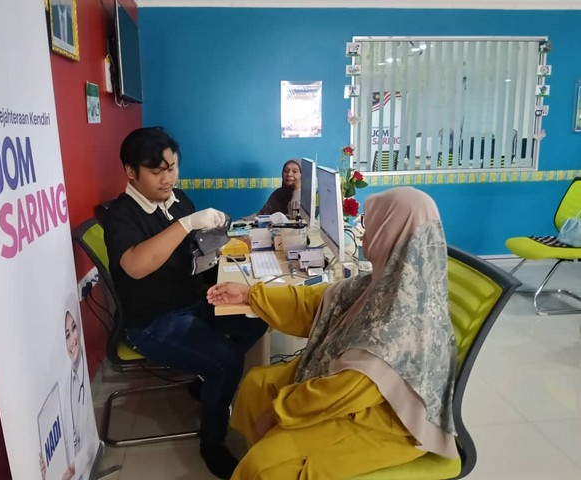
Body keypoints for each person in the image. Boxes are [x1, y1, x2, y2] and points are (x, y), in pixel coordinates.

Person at [207, 186, 459, 479]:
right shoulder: (387, 282)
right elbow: (321, 303)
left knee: (265, 466)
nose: (363, 234)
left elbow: (346, 390)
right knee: (257, 385)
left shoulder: (403, 323)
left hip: (387, 420)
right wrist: (250, 294)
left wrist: (279, 412)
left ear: (391, 232)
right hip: (351, 395)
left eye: (369, 225)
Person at [103, 126, 268, 479]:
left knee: (259, 315)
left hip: (193, 300)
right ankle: (212, 442)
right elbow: (135, 265)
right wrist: (186, 223)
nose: (168, 179)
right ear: (131, 172)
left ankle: (205, 380)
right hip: (152, 321)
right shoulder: (122, 214)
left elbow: (196, 250)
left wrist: (219, 240)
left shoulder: (177, 200)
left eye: (172, 168)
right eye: (156, 171)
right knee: (227, 360)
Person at [40, 306, 97, 480]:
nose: (72, 340)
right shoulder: (67, 387)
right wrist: (48, 465)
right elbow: (67, 437)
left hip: (84, 466)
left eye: (74, 329)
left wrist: (73, 468)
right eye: (67, 335)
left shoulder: (84, 372)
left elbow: (89, 440)